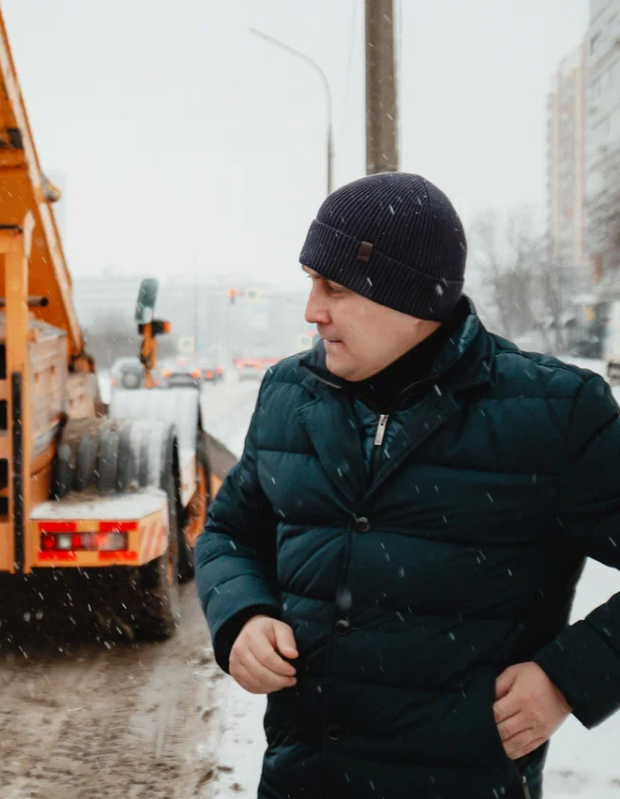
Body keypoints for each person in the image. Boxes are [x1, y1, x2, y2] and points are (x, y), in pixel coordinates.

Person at [196, 173, 620, 799]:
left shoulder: (554, 413)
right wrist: (242, 616)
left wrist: (568, 679)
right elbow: (229, 532)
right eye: (312, 283)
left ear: (409, 299)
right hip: (301, 782)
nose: (312, 310)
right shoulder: (288, 394)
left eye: (333, 288)